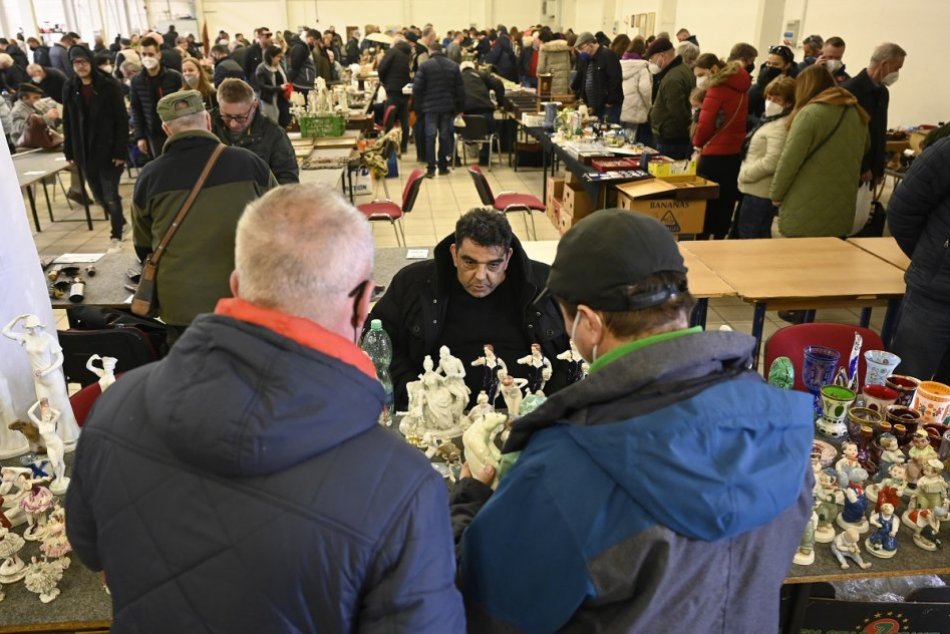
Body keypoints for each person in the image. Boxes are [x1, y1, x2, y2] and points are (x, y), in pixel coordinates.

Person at [70, 183, 467, 629]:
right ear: (361, 304)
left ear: (237, 285)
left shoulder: (113, 409)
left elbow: (90, 548)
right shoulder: (405, 489)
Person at [452, 209, 813, 632]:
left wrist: (468, 503)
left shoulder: (564, 467)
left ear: (588, 323)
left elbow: (485, 611)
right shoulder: (783, 422)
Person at [368, 209, 568, 411]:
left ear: (508, 257)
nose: (480, 276)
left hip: (529, 413)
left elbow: (577, 348)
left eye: (493, 265)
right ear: (454, 254)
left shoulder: (545, 286)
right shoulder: (414, 284)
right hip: (435, 416)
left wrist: (550, 402)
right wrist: (413, 391)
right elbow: (376, 339)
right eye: (469, 262)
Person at [131, 90, 277, 345]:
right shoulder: (249, 163)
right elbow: (280, 224)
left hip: (181, 306)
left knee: (192, 378)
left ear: (166, 129)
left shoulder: (150, 177)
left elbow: (143, 246)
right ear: (208, 121)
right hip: (244, 297)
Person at [769, 64, 868, 237]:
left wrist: (776, 194)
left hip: (806, 202)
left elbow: (790, 159)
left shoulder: (809, 113)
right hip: (842, 203)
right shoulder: (856, 112)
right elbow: (865, 147)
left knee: (798, 258)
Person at [887, 137, 950, 382]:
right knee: (905, 387)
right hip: (933, 300)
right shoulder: (946, 152)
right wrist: (932, 258)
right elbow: (903, 210)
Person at [62, 46, 129, 249]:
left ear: (90, 62)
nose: (80, 66)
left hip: (108, 151)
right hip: (85, 152)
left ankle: (116, 234)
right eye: (76, 63)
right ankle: (122, 222)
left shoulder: (109, 85)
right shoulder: (70, 87)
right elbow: (68, 121)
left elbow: (121, 120)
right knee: (99, 195)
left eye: (83, 61)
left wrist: (120, 151)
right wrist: (70, 150)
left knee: (110, 195)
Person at [692, 58, 750, 239]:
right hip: (733, 153)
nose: (701, 79)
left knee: (706, 203)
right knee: (726, 202)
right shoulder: (742, 89)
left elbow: (706, 123)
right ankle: (720, 238)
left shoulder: (717, 89)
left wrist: (697, 142)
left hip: (713, 155)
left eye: (702, 74)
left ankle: (702, 239)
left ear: (714, 69)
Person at [736, 75, 796, 238]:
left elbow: (773, 161)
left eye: (777, 99)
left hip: (760, 190)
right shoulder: (768, 120)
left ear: (789, 102)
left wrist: (747, 174)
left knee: (751, 236)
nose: (770, 102)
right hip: (754, 188)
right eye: (769, 97)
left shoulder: (780, 126)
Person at [843, 43, 907, 186]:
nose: (897, 73)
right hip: (853, 169)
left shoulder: (883, 92)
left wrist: (879, 168)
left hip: (872, 170)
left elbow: (879, 130)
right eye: (897, 68)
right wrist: (863, 166)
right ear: (884, 64)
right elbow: (849, 135)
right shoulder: (850, 90)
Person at [212, 78, 298, 184]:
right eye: (226, 116)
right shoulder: (207, 127)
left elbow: (288, 181)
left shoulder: (273, 134)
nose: (233, 124)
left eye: (240, 117)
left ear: (254, 106)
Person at [413, 42, 463, 177]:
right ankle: (442, 166)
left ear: (430, 51)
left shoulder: (424, 66)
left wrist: (419, 106)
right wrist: (459, 108)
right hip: (447, 107)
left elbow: (417, 89)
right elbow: (460, 89)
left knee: (430, 136)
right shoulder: (453, 66)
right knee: (444, 136)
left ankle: (430, 168)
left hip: (430, 108)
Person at [130, 36, 183, 158]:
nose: (147, 58)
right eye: (144, 54)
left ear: (158, 55)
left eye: (151, 54)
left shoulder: (174, 77)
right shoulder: (136, 81)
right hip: (153, 134)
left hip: (175, 131)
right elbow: (136, 110)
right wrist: (140, 137)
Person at [646, 37, 695, 159]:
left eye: (652, 59)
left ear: (662, 56)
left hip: (671, 139)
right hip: (675, 137)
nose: (651, 63)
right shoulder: (683, 69)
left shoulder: (672, 78)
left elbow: (677, 111)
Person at [571, 31, 622, 124]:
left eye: (581, 49)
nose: (581, 52)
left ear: (590, 44)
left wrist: (610, 101)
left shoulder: (608, 55)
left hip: (607, 107)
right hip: (593, 107)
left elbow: (615, 79)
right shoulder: (587, 60)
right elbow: (583, 78)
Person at [460, 61, 505, 165]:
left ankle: (455, 159)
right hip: (484, 112)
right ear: (473, 67)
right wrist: (500, 102)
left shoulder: (458, 77)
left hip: (465, 115)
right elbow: (498, 83)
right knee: (490, 132)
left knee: (456, 129)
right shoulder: (481, 74)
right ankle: (485, 158)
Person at [377, 36, 412, 154]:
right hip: (405, 90)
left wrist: (384, 81)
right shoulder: (407, 54)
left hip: (392, 88)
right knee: (404, 119)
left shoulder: (392, 52)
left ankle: (389, 145)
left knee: (389, 118)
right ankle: (403, 147)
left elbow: (382, 67)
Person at [749, 44, 796, 122]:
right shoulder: (758, 87)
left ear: (787, 65)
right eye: (768, 63)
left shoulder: (794, 85)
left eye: (775, 64)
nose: (770, 67)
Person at [619, 36, 651, 135]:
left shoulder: (619, 64)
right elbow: (645, 89)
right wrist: (649, 106)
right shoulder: (642, 68)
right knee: (630, 140)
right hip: (634, 110)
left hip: (620, 107)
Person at [255, 45, 291, 128]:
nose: (279, 59)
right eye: (278, 57)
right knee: (272, 124)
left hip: (283, 99)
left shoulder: (279, 66)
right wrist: (279, 88)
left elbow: (286, 78)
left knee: (285, 122)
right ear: (271, 56)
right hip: (269, 100)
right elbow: (262, 86)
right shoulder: (261, 69)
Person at [536, 31, 571, 95]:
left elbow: (541, 69)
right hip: (563, 83)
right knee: (562, 102)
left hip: (549, 82)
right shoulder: (565, 48)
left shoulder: (544, 49)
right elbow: (568, 68)